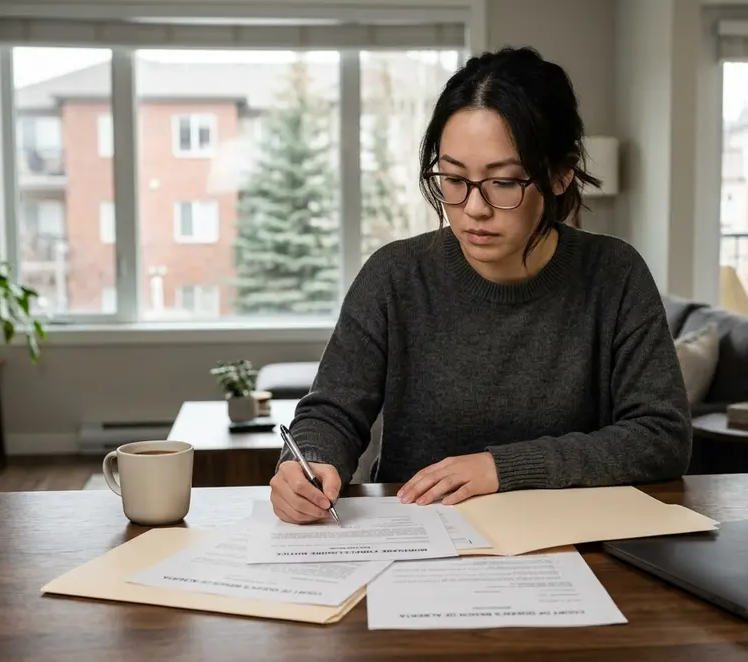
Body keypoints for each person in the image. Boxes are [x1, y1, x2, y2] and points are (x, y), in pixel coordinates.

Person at [269, 46, 691, 524]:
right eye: (452, 178)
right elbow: (332, 412)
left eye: (504, 182)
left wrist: (502, 467)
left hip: (567, 541)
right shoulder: (394, 275)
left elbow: (661, 436)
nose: (473, 209)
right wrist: (306, 462)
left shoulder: (614, 273)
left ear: (560, 174)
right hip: (418, 536)